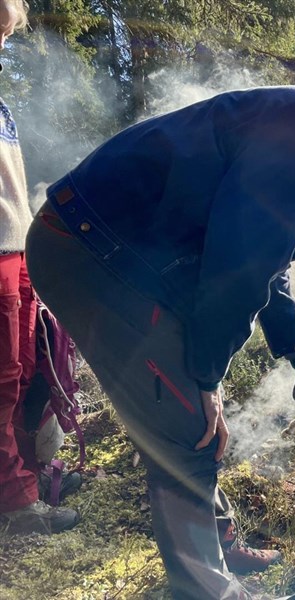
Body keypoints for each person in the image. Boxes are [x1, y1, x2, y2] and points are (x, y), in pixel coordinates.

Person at [25, 85, 295, 599]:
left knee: (193, 414)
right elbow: (240, 267)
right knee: (188, 424)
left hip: (123, 259)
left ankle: (215, 540)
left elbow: (269, 259)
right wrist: (207, 378)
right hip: (88, 251)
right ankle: (204, 588)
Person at [0, 0, 80, 535]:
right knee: (2, 379)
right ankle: (14, 501)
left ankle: (29, 470)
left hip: (15, 248)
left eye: (4, 33)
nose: (1, 44)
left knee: (29, 372)